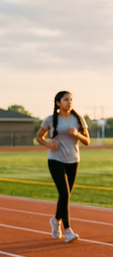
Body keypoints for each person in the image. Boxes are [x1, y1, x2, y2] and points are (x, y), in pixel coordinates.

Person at [35, 91, 91, 243]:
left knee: (65, 195)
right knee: (65, 194)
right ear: (58, 103)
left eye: (71, 99)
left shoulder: (78, 119)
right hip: (56, 160)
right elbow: (39, 137)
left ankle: (56, 220)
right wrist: (49, 145)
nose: (69, 102)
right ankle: (68, 230)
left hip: (73, 160)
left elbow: (87, 141)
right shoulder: (50, 120)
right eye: (66, 100)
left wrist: (77, 135)